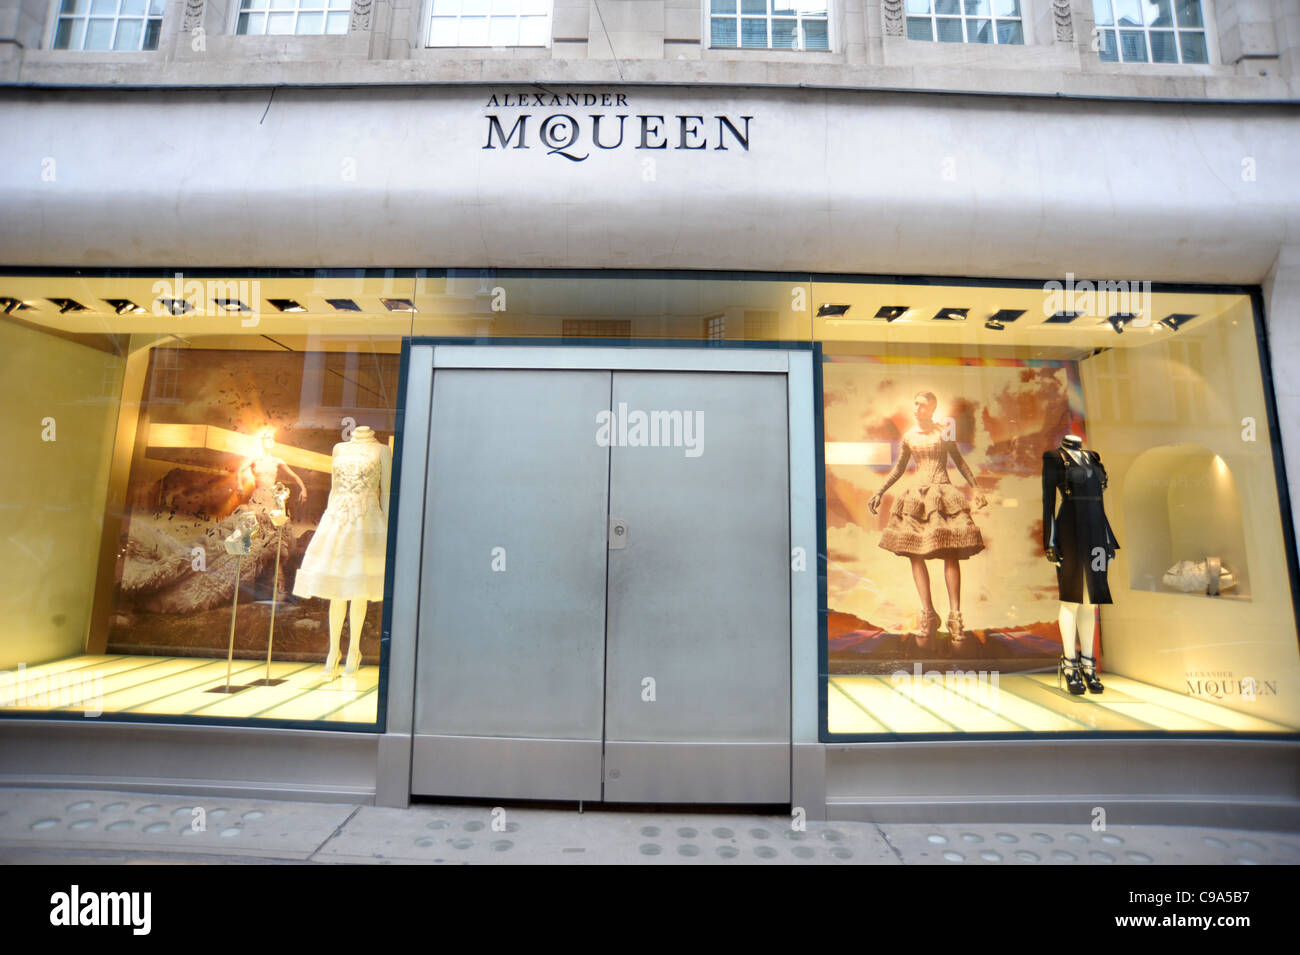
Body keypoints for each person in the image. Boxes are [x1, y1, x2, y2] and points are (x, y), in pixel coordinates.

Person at [868, 391, 988, 654]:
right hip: (918, 496)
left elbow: (960, 462)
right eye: (914, 403)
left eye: (921, 404)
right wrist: (879, 491)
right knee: (914, 553)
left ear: (932, 408)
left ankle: (955, 616)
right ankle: (928, 613)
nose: (916, 408)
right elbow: (899, 468)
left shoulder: (942, 433)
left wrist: (976, 489)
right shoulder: (909, 436)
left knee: (950, 553)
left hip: (943, 494)